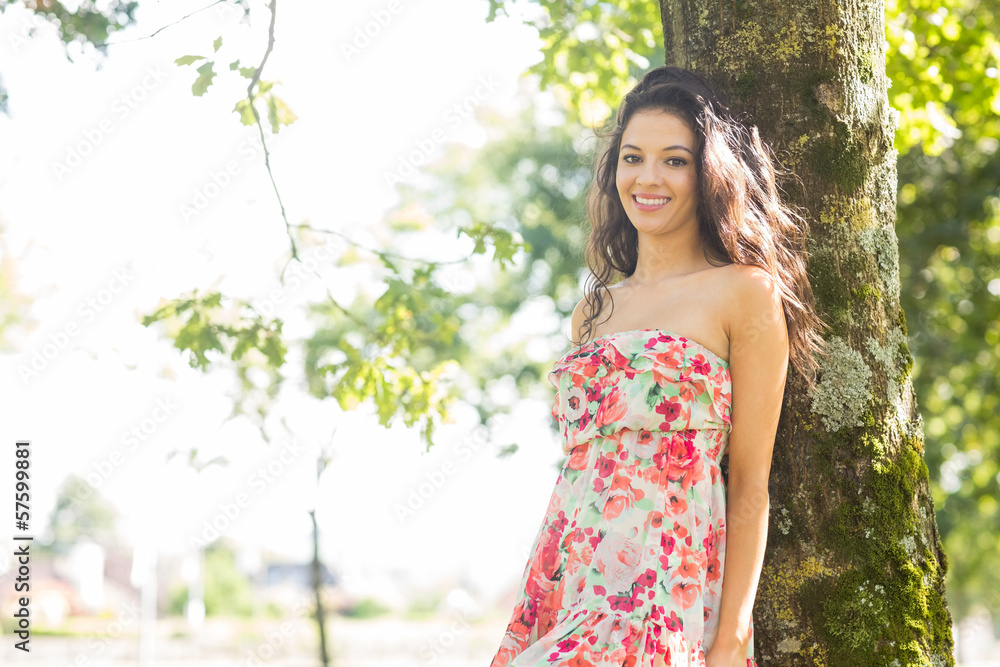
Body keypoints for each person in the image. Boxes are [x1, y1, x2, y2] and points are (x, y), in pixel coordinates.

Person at [489, 66, 829, 667]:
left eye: (674, 160)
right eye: (632, 157)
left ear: (708, 174)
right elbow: (578, 475)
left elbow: (750, 481)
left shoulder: (744, 293)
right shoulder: (592, 311)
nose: (648, 178)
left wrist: (732, 636)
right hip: (572, 588)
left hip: (666, 596)